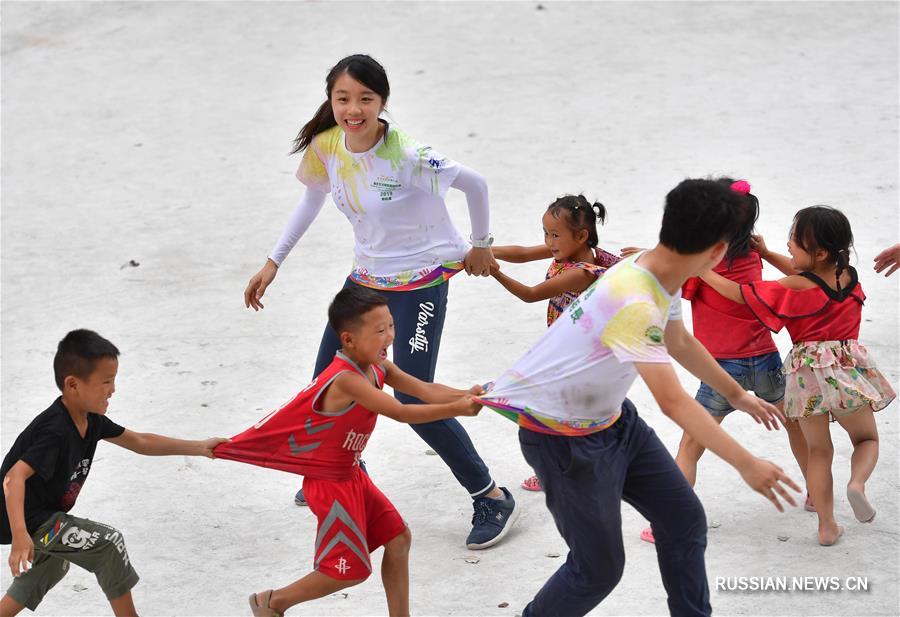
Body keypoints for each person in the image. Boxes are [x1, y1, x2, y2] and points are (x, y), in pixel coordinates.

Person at [475, 179, 801, 617]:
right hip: (561, 438)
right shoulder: (634, 296)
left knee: (683, 521)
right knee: (598, 570)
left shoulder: (657, 269)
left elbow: (680, 342)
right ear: (718, 252)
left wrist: (737, 394)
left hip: (615, 422)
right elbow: (674, 403)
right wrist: (747, 462)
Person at [242, 54, 516, 549]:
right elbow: (311, 199)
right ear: (330, 100)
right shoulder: (328, 147)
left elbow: (475, 183)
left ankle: (491, 495)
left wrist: (481, 243)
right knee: (326, 379)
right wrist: (273, 261)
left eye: (365, 99)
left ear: (382, 102)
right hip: (365, 280)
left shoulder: (406, 154)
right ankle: (341, 468)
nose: (353, 109)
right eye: (343, 98)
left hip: (421, 281)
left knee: (411, 392)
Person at [215, 287, 483, 616]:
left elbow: (424, 389)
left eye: (391, 326)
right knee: (350, 570)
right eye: (379, 330)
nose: (389, 336)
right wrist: (458, 407)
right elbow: (400, 412)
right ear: (349, 339)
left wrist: (467, 394)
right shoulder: (345, 379)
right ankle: (272, 602)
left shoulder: (378, 367)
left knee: (398, 539)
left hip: (352, 474)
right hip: (330, 484)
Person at [628, 179, 810, 545]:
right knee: (795, 427)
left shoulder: (700, 268)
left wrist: (648, 257)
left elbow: (676, 274)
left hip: (720, 369)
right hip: (764, 359)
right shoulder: (753, 259)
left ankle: (668, 522)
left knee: (691, 446)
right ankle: (817, 494)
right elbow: (795, 275)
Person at [701, 206, 895, 546]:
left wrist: (704, 272)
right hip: (846, 372)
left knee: (819, 452)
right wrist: (766, 253)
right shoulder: (848, 276)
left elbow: (741, 294)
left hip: (806, 376)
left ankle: (827, 526)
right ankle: (857, 484)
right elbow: (807, 272)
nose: (788, 245)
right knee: (866, 440)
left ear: (818, 252)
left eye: (794, 241)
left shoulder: (794, 286)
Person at [0, 330, 226, 617]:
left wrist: (200, 447)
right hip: (28, 519)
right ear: (73, 385)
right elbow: (13, 477)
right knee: (108, 546)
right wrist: (20, 536)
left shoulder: (91, 420)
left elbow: (140, 442)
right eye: (106, 382)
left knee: (53, 562)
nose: (113, 389)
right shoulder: (55, 430)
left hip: (44, 516)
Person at [490, 194, 619, 491]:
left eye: (555, 234)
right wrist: (483, 250)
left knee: (556, 416)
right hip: (571, 350)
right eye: (545, 234)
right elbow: (522, 253)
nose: (549, 241)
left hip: (576, 357)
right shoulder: (573, 251)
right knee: (566, 414)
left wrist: (493, 270)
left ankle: (558, 471)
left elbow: (531, 293)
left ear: (582, 235)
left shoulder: (579, 273)